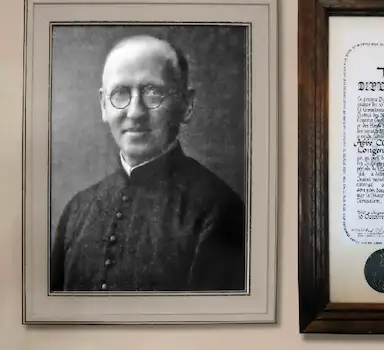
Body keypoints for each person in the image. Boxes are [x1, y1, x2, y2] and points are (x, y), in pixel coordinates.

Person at [50, 35, 246, 292]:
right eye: (120, 93)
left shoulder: (218, 210)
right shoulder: (77, 210)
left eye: (153, 93)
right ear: (103, 106)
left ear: (185, 104)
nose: (135, 112)